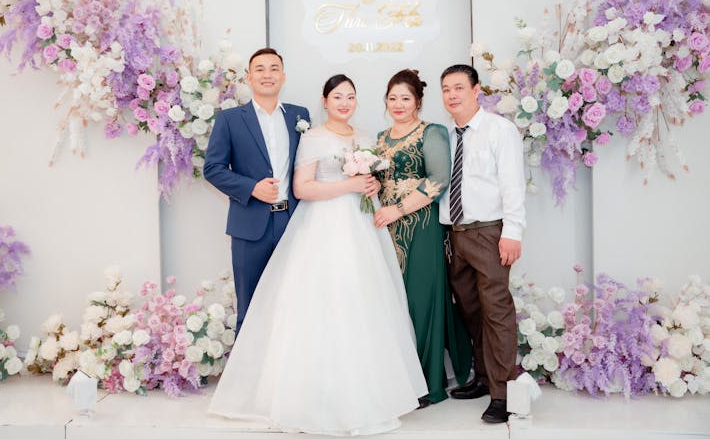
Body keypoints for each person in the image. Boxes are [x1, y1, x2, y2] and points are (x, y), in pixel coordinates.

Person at [208, 74, 427, 436]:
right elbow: (302, 188)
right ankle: (310, 396)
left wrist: (370, 184)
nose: (344, 102)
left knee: (362, 304)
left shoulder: (367, 138)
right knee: (320, 306)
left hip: (361, 231)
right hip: (323, 229)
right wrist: (350, 184)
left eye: (351, 96)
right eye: (337, 96)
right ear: (324, 101)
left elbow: (370, 186)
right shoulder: (312, 137)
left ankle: (365, 394)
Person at [373, 69, 472, 409]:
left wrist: (398, 209)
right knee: (392, 303)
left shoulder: (431, 132)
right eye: (392, 98)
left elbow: (438, 180)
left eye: (405, 98)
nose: (398, 104)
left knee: (421, 302)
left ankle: (427, 384)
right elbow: (378, 181)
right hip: (385, 229)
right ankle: (398, 378)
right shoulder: (380, 138)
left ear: (417, 101)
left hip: (421, 226)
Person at [438, 64, 525, 424]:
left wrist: (513, 232)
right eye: (446, 89)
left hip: (489, 233)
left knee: (497, 312)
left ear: (476, 91)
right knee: (471, 310)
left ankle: (504, 394)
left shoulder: (499, 130)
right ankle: (484, 377)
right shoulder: (446, 134)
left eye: (459, 87)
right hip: (455, 235)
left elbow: (512, 183)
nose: (452, 94)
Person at [203, 48, 310, 335]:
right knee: (250, 307)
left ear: (283, 76)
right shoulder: (230, 119)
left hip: (293, 223)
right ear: (249, 78)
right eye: (260, 69)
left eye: (274, 68)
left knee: (293, 303)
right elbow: (212, 168)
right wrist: (252, 188)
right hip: (250, 226)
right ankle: (247, 379)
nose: (267, 74)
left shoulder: (300, 116)